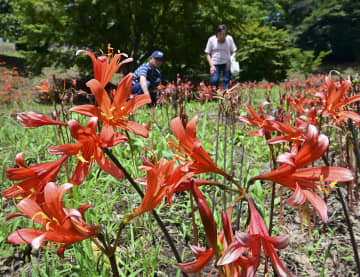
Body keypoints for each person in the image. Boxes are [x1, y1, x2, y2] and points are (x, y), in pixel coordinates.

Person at [205, 24, 237, 89]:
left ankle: (225, 97)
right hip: (215, 63)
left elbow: (234, 51)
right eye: (220, 34)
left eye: (224, 34)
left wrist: (230, 61)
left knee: (226, 80)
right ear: (217, 33)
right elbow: (207, 54)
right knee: (214, 80)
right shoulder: (211, 40)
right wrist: (212, 66)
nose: (222, 36)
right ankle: (214, 97)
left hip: (226, 63)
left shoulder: (229, 39)